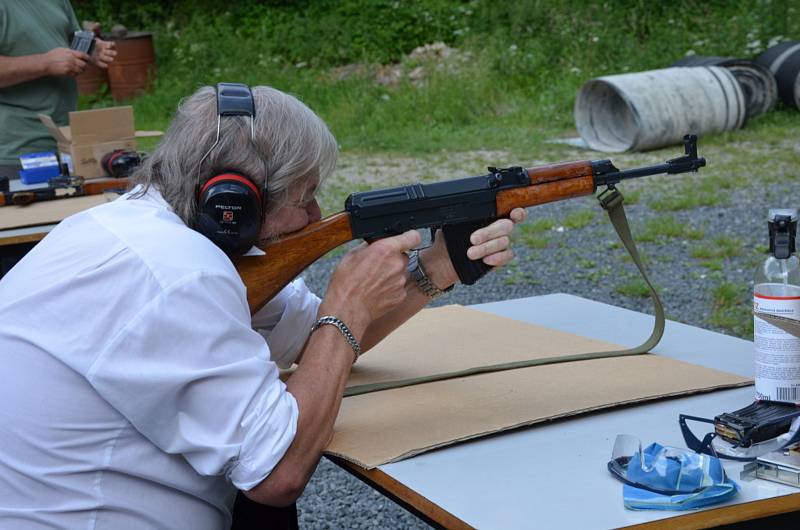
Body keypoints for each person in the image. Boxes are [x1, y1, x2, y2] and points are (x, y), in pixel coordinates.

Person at [0, 84, 527, 530]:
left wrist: (438, 267)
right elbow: (276, 474)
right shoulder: (176, 274)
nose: (316, 214)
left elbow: (312, 338)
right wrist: (347, 305)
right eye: (305, 196)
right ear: (235, 200)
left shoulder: (134, 229)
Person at [0, 1, 117, 180]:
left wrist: (90, 49)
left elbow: (68, 38)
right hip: (15, 151)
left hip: (67, 143)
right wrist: (44, 63)